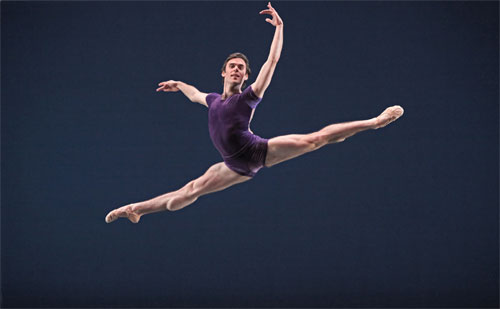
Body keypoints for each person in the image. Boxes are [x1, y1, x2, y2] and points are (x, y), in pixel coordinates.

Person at [105, 2, 404, 224]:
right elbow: (194, 92)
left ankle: (375, 121)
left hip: (258, 151)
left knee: (318, 139)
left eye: (242, 68)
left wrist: (280, 29)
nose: (237, 70)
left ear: (246, 77)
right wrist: (178, 83)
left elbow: (271, 63)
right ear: (223, 72)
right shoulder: (212, 100)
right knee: (182, 197)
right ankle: (136, 209)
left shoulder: (249, 97)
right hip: (233, 165)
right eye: (232, 66)